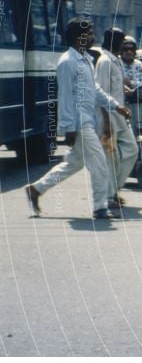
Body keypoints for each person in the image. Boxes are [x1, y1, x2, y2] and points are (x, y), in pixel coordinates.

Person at [25, 19, 132, 219]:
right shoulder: (67, 62)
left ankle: (36, 189)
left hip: (88, 120)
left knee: (73, 163)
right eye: (89, 33)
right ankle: (100, 207)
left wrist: (116, 106)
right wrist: (68, 128)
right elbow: (64, 96)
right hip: (79, 122)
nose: (93, 36)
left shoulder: (86, 60)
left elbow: (96, 91)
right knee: (100, 162)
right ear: (79, 37)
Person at [95, 28, 139, 211]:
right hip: (108, 120)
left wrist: (126, 85)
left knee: (131, 150)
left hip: (119, 119)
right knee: (110, 159)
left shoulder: (116, 61)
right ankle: (109, 195)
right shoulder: (104, 62)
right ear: (115, 42)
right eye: (121, 42)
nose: (124, 46)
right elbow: (100, 93)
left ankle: (113, 190)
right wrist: (106, 121)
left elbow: (115, 85)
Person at [120, 36, 142, 100]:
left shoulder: (139, 65)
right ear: (121, 50)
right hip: (121, 100)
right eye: (126, 49)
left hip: (138, 100)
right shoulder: (117, 64)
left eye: (131, 49)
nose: (129, 52)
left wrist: (131, 83)